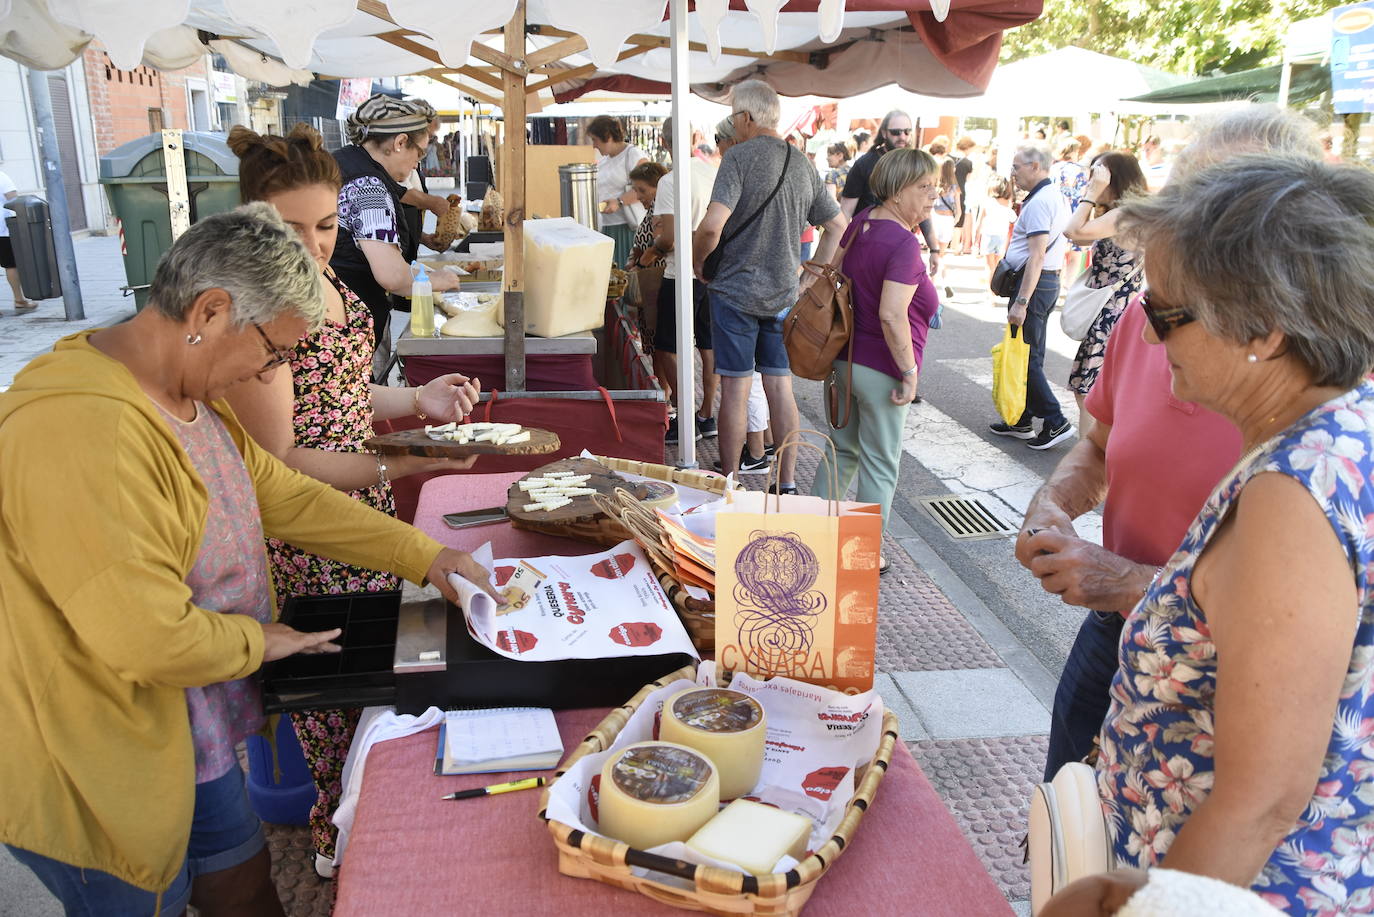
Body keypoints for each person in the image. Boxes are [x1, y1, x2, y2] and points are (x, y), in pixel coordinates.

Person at [0, 204, 495, 916]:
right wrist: (263, 638)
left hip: (185, 729)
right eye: (275, 350)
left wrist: (424, 552)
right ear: (210, 309)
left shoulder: (184, 390)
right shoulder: (87, 432)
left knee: (242, 883)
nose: (277, 370)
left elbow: (281, 494)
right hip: (94, 759)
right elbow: (147, 637)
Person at [1094, 153, 1374, 911]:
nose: (1150, 340)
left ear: (1268, 331)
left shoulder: (1293, 491)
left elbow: (1263, 801)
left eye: (1166, 314)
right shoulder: (1340, 431)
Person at [1015, 106, 1322, 786]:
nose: (1155, 328)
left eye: (1207, 225)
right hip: (1115, 628)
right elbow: (1098, 445)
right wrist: (1053, 501)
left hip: (1220, 672)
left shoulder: (1325, 415)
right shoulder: (1149, 316)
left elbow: (1295, 639)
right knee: (1069, 818)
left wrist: (1133, 583)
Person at [222, 125, 481, 877]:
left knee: (375, 687)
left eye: (326, 225)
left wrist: (417, 399)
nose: (312, 244)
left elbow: (339, 393)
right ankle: (345, 847)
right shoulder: (258, 311)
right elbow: (279, 465)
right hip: (310, 541)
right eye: (288, 228)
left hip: (364, 514)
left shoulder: (328, 286)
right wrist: (392, 460)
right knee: (338, 705)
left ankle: (367, 825)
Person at [693, 80, 847, 485]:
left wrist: (698, 262)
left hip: (734, 294)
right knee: (780, 389)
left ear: (745, 118)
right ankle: (788, 481)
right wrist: (810, 279)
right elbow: (837, 226)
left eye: (733, 117)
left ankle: (729, 483)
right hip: (784, 294)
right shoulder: (802, 163)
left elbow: (712, 226)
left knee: (736, 391)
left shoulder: (738, 158)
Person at [810, 148, 938, 565]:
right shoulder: (902, 244)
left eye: (935, 186)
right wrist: (908, 370)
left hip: (843, 360)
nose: (933, 196)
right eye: (924, 187)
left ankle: (813, 533)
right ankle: (863, 553)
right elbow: (891, 313)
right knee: (881, 463)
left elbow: (836, 276)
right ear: (898, 191)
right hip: (881, 367)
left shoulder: (862, 222)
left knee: (842, 451)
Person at [329, 94, 461, 354]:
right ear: (400, 142)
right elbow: (391, 275)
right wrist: (437, 279)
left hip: (331, 313)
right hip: (350, 326)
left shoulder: (342, 163)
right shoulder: (369, 188)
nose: (417, 163)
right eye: (420, 152)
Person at [988, 142, 1073, 450]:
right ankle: (1022, 418)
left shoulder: (1039, 202)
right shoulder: (1051, 195)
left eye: (1017, 167)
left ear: (1036, 166)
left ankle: (1055, 420)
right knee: (1029, 353)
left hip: (1034, 285)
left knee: (1026, 358)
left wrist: (1021, 302)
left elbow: (1036, 256)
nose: (1013, 173)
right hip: (1044, 283)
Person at [1063, 152, 1147, 430]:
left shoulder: (1123, 214)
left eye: (1098, 176)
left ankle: (1093, 463)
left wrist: (1090, 194)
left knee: (1089, 390)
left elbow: (1073, 231)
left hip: (1112, 311)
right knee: (1098, 390)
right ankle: (1099, 459)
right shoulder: (1131, 212)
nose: (1091, 181)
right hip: (1117, 308)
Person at [653, 116, 720, 447]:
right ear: (694, 137)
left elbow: (669, 238)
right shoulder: (713, 171)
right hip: (712, 271)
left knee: (667, 347)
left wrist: (651, 251)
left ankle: (685, 413)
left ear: (664, 143)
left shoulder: (670, 181)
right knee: (707, 346)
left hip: (680, 272)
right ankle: (706, 415)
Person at [840, 110, 942, 276]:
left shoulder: (916, 165)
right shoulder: (864, 164)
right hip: (867, 249)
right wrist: (840, 254)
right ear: (884, 133)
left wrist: (934, 249)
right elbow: (845, 213)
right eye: (896, 132)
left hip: (901, 247)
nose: (902, 136)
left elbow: (924, 209)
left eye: (907, 131)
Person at [588, 115, 650, 267]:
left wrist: (619, 201)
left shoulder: (632, 154)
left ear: (608, 137)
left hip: (627, 227)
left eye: (595, 140)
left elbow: (648, 186)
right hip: (607, 227)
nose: (594, 145)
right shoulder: (604, 161)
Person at [0, 168, 37, 311]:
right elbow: (14, 199)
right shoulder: (2, 176)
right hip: (3, 228)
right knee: (11, 265)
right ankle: (19, 300)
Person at [626, 161, 668, 270]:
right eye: (636, 190)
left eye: (642, 190)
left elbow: (659, 243)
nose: (638, 196)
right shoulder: (653, 208)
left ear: (659, 187)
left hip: (656, 275)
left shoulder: (659, 207)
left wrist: (640, 265)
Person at [930, 159, 962, 299]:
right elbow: (959, 211)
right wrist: (953, 221)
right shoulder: (955, 188)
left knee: (933, 252)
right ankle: (944, 282)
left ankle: (932, 284)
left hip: (935, 218)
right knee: (941, 254)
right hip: (948, 220)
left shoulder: (936, 185)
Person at [977, 178, 1014, 279]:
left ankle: (990, 292)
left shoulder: (987, 201)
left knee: (989, 267)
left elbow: (979, 223)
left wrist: (976, 241)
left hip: (988, 236)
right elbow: (1013, 219)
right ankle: (994, 290)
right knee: (998, 267)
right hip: (1002, 236)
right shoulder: (1007, 203)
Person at [952, 136, 977, 254]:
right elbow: (969, 180)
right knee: (959, 219)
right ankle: (955, 247)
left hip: (945, 191)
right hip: (960, 191)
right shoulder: (968, 163)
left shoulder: (947, 158)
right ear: (967, 148)